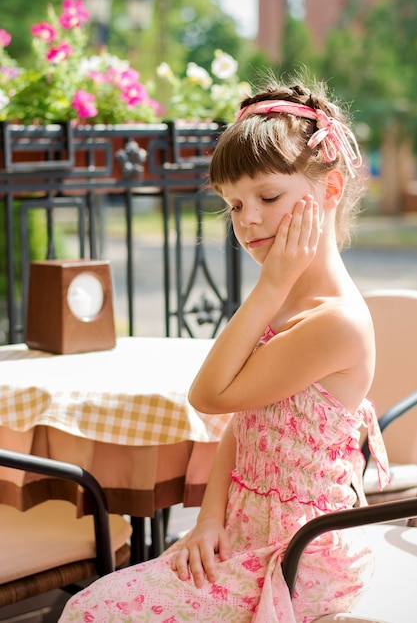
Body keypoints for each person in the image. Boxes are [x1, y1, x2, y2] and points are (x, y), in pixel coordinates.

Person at [59, 77, 390, 623]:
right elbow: (242, 422)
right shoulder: (282, 302)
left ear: (329, 192)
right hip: (241, 527)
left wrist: (269, 287)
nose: (248, 219)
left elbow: (207, 395)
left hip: (299, 552)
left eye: (268, 196)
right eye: (233, 205)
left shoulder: (336, 322)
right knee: (96, 603)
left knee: (90, 610)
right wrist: (209, 521)